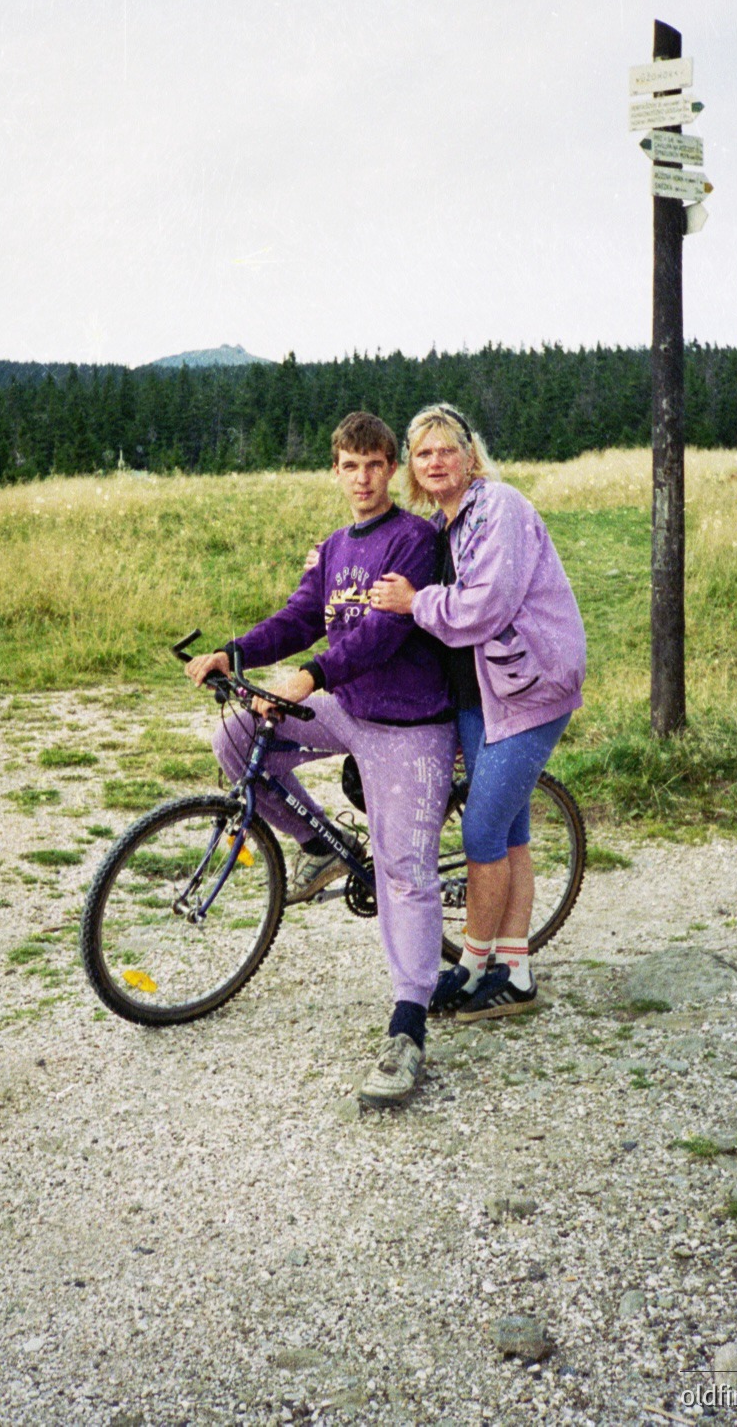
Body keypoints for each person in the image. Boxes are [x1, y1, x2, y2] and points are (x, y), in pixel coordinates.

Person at [184, 411, 456, 1106]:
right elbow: (302, 617)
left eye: (375, 465)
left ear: (391, 469)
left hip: (407, 724)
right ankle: (320, 845)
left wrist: (308, 677)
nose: (362, 478)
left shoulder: (415, 539)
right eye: (349, 465)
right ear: (334, 470)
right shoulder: (335, 546)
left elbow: (380, 637)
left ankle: (408, 1027)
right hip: (348, 706)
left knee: (404, 872)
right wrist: (235, 653)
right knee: (237, 737)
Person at [370, 402, 586, 1020]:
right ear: (412, 468)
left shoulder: (499, 508)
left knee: (482, 832)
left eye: (446, 450)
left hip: (532, 690)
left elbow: (485, 606)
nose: (436, 462)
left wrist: (415, 602)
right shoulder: (443, 523)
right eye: (423, 453)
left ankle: (470, 967)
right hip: (481, 694)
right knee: (512, 832)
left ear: (470, 457)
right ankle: (514, 972)